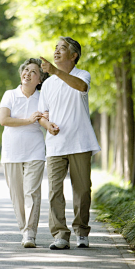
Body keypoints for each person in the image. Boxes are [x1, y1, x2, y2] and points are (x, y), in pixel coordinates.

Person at [38, 36, 101, 250]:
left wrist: (55, 71)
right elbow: (42, 114)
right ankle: (60, 235)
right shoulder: (47, 84)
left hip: (80, 142)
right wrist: (48, 125)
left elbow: (81, 87)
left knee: (82, 190)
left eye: (62, 48)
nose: (55, 52)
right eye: (55, 48)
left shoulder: (82, 75)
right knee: (54, 191)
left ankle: (82, 231)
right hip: (55, 145)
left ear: (74, 56)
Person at [0, 58, 49, 248]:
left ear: (40, 79)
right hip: (11, 152)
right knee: (17, 195)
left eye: (33, 71)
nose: (27, 73)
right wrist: (29, 120)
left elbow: (47, 118)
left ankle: (30, 233)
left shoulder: (43, 98)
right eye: (25, 70)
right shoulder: (9, 95)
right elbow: (4, 120)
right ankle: (24, 228)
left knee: (32, 192)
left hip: (35, 150)